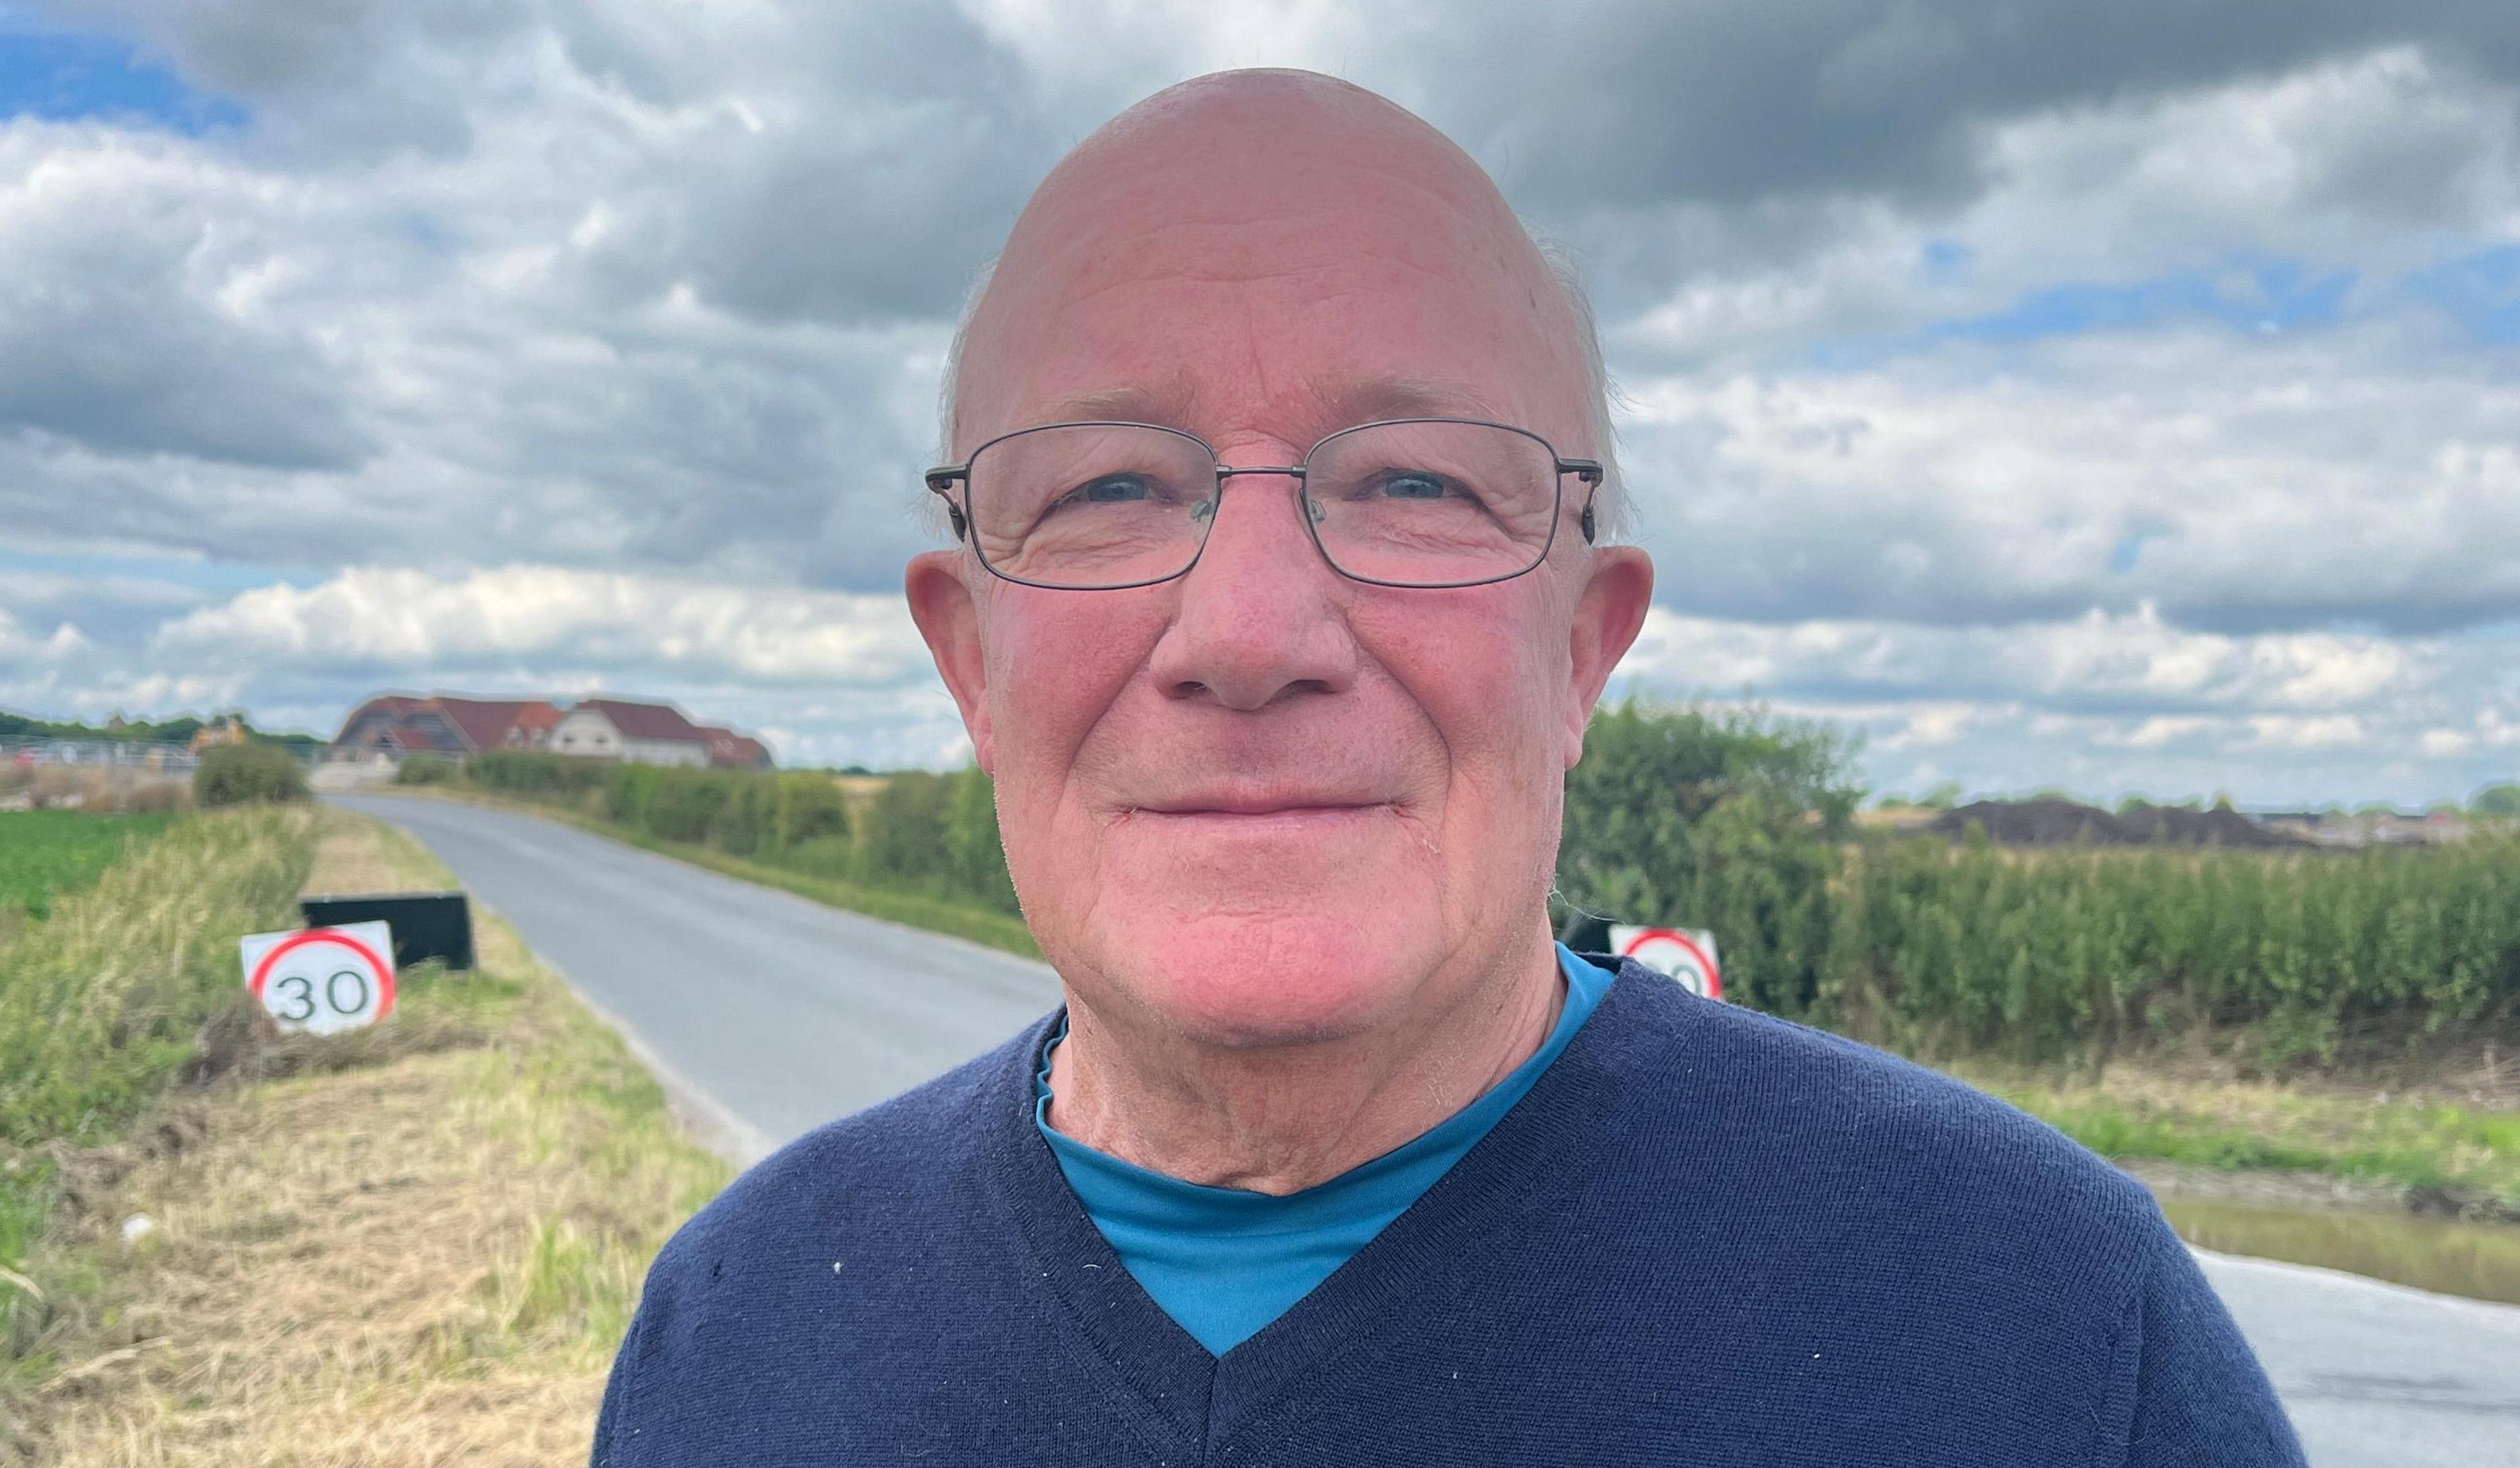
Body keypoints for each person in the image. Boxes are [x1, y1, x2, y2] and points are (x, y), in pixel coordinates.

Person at [592, 69, 2303, 1466]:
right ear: (971, 658)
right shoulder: (738, 1327)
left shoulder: (2044, 1330)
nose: (1249, 631)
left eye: (1413, 483)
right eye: (1107, 488)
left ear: (1582, 649)